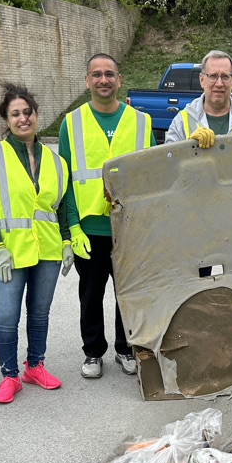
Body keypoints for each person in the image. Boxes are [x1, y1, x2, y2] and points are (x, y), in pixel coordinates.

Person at [0, 84, 82, 403]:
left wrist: (67, 241)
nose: (23, 118)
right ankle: (9, 375)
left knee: (39, 313)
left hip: (48, 250)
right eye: (15, 114)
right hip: (9, 252)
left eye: (27, 112)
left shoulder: (56, 161)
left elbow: (62, 205)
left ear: (36, 115)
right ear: (6, 120)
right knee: (6, 316)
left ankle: (35, 366)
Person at [59, 53, 153, 381]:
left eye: (109, 74)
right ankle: (92, 352)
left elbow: (151, 177)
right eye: (96, 74)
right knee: (91, 292)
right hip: (90, 227)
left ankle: (126, 348)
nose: (103, 80)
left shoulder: (141, 122)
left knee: (126, 292)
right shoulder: (71, 123)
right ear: (87, 81)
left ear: (119, 79)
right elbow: (66, 182)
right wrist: (71, 228)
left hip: (128, 227)